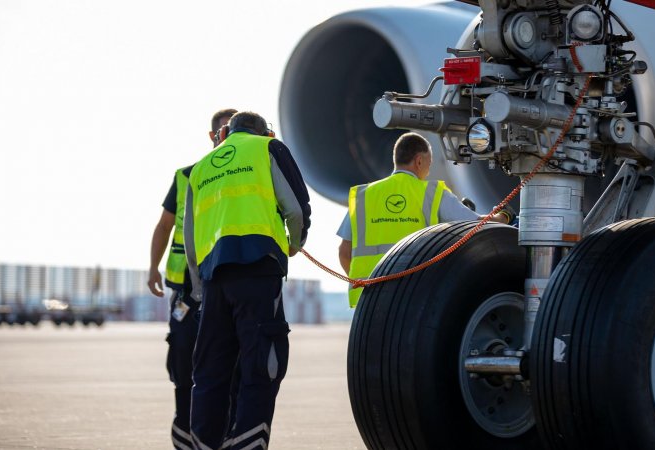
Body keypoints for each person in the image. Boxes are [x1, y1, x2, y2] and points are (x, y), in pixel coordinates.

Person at [184, 111, 311, 450]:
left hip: (214, 279)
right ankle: (247, 442)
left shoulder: (200, 168)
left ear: (225, 132)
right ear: (263, 131)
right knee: (262, 363)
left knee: (210, 370)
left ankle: (205, 443)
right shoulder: (268, 149)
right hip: (257, 269)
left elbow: (191, 242)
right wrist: (295, 243)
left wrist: (200, 289)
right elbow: (296, 209)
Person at [147, 108, 237, 450]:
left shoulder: (249, 172)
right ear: (212, 136)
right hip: (186, 291)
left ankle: (224, 434)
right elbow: (164, 225)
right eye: (224, 132)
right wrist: (152, 267)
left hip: (225, 287)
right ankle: (185, 435)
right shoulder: (187, 176)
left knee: (230, 367)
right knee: (183, 366)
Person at [337, 132, 511, 307]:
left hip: (368, 301)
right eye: (429, 163)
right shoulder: (432, 193)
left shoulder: (363, 196)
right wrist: (503, 216)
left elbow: (344, 252)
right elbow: (476, 225)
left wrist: (364, 282)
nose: (428, 170)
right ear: (419, 161)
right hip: (414, 296)